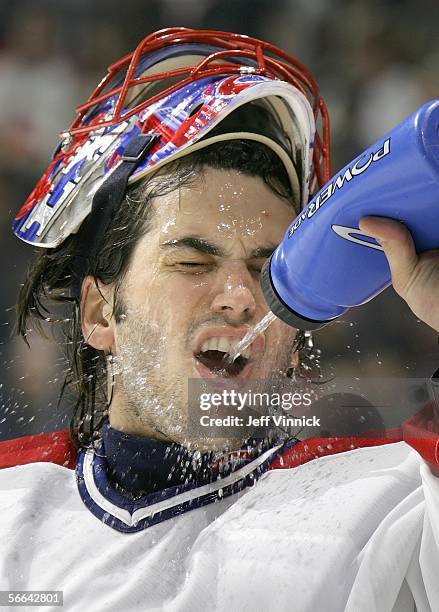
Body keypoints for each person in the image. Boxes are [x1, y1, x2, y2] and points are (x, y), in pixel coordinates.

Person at [1, 28, 438, 611]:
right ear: (102, 313)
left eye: (267, 268)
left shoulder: (392, 498)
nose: (240, 296)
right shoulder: (9, 499)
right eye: (192, 261)